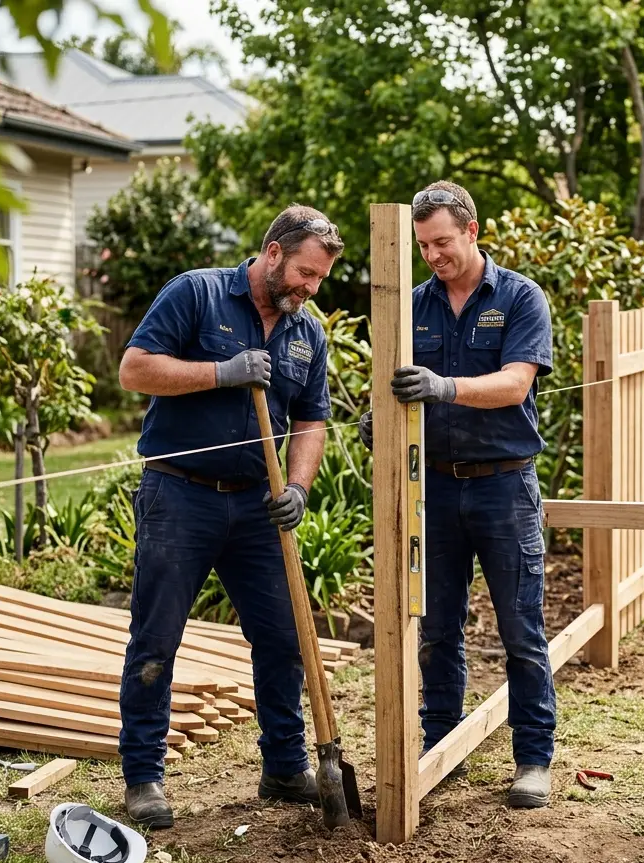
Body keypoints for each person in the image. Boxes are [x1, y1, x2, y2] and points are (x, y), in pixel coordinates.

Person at [116, 205, 344, 828]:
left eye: (318, 279)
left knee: (281, 636)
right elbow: (134, 369)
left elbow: (311, 422)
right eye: (303, 272)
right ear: (272, 252)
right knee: (157, 638)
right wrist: (223, 372)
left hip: (257, 505)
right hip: (180, 496)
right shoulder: (196, 294)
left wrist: (298, 485)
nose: (308, 288)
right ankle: (143, 776)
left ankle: (284, 766)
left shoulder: (306, 335)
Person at [358, 180, 556, 808]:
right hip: (433, 490)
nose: (433, 255)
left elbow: (514, 385)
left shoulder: (521, 298)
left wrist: (444, 387)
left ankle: (533, 758)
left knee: (521, 627)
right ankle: (440, 743)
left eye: (442, 241)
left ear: (473, 230)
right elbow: (390, 380)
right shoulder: (409, 305)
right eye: (423, 246)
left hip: (503, 487)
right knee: (437, 628)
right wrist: (378, 418)